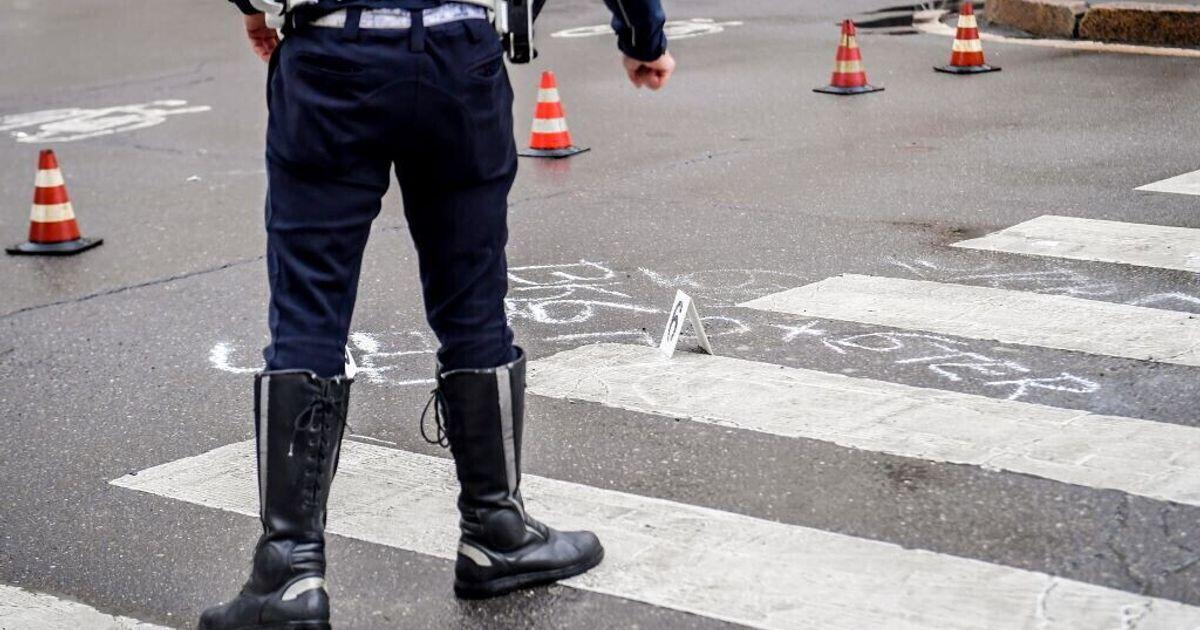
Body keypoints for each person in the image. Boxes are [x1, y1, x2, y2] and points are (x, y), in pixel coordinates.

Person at [200, 0, 675, 628]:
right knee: (472, 302)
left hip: (330, 50)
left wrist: (254, 11)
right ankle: (496, 529)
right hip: (459, 50)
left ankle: (289, 569)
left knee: (308, 310)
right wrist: (642, 35)